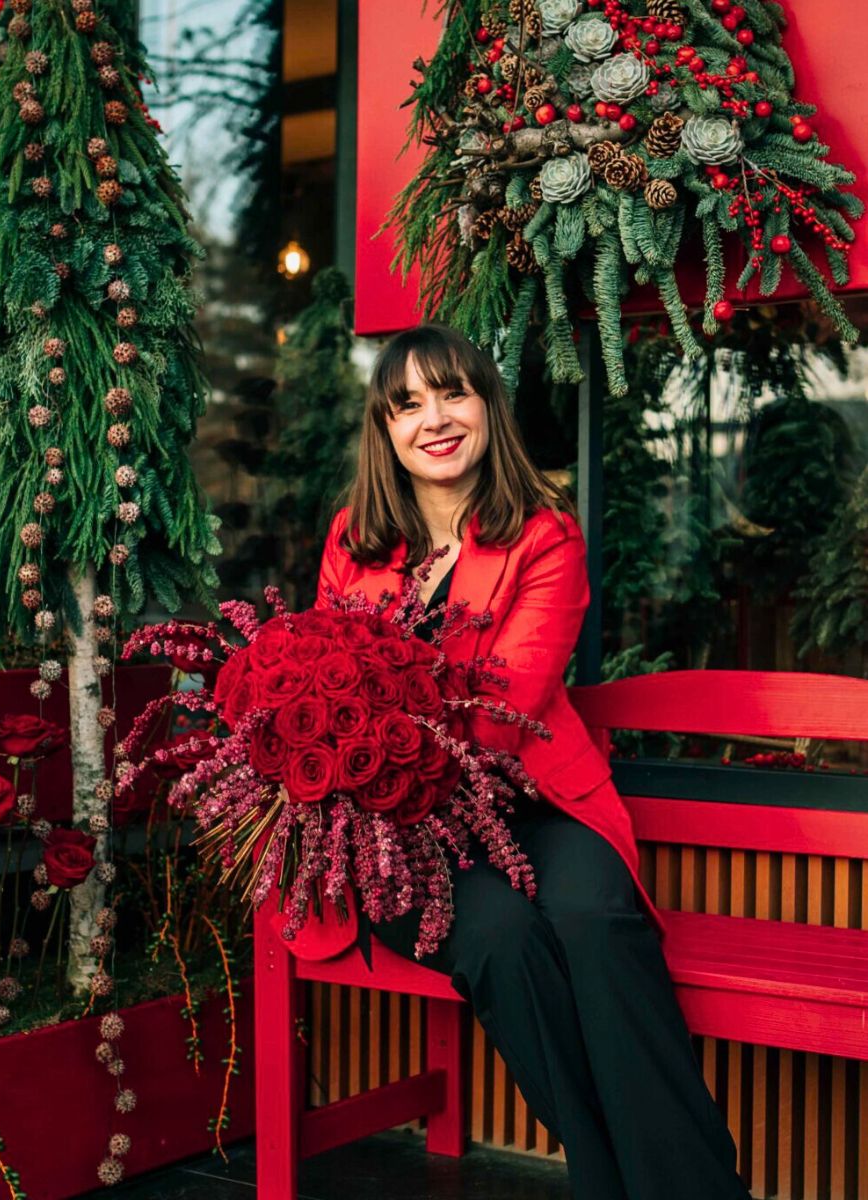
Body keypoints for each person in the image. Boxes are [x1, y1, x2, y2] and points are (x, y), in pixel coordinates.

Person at [314, 322, 752, 1200]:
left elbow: (505, 706)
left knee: (596, 921)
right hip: (403, 828)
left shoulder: (543, 536)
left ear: (486, 406)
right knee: (502, 940)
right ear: (385, 430)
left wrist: (385, 709)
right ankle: (612, 1174)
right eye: (407, 405)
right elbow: (327, 684)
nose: (433, 419)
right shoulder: (354, 542)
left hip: (538, 804)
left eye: (452, 394)